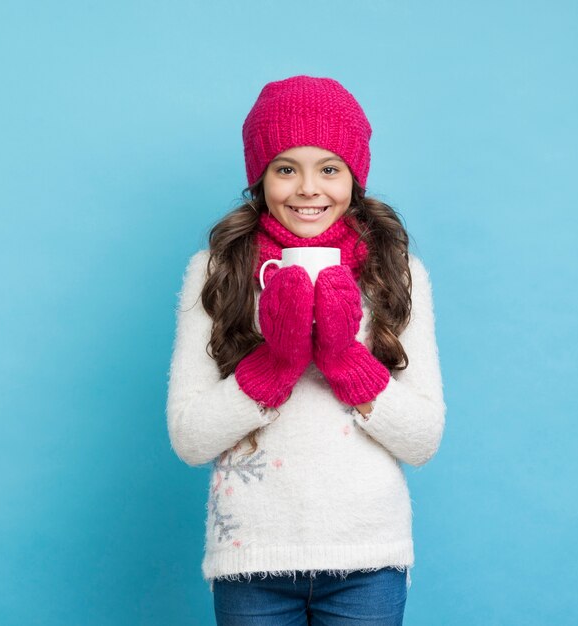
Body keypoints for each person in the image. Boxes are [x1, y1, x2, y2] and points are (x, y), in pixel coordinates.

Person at [166, 75, 446, 626]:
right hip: (253, 558)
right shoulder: (219, 272)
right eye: (286, 168)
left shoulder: (397, 274)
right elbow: (189, 439)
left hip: (368, 557)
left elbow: (423, 440)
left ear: (354, 177)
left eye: (330, 168)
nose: (308, 189)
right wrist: (277, 364)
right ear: (260, 177)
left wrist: (345, 362)